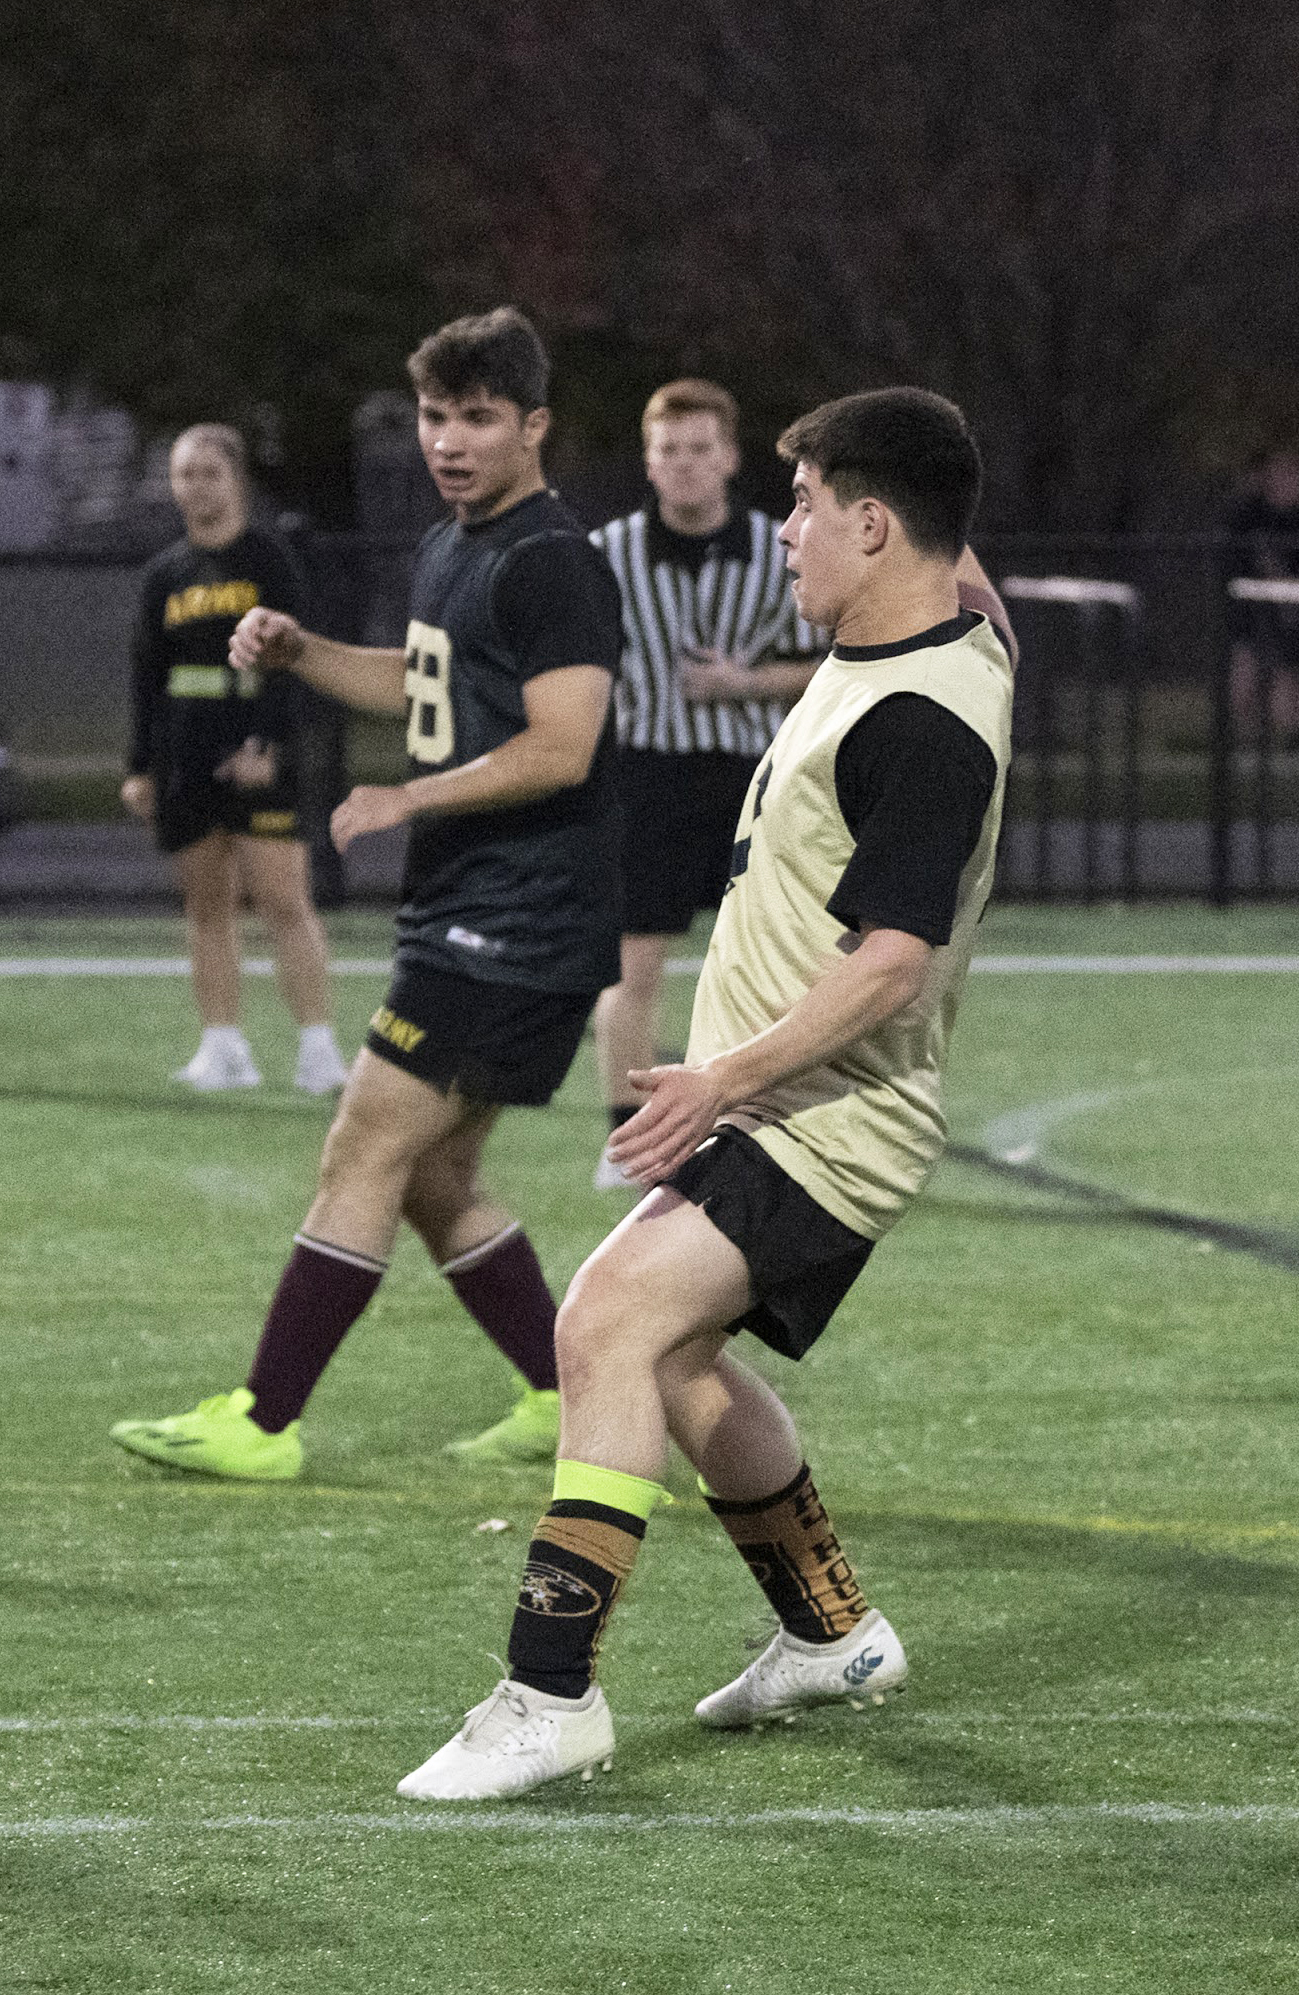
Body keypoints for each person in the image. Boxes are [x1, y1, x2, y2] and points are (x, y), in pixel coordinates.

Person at [401, 388, 1011, 1800]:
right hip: (791, 1106)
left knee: (603, 1321)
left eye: (803, 505)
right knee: (669, 1360)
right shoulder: (945, 637)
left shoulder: (922, 718)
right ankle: (833, 1629)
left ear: (874, 524)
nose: (783, 531)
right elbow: (968, 561)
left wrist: (720, 1077)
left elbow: (894, 963)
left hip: (827, 1118)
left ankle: (548, 1695)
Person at [107, 309, 622, 1481]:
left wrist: (409, 801)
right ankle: (558, 1392)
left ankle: (263, 1420)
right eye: (435, 416)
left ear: (533, 426)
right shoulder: (456, 546)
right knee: (436, 1176)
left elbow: (565, 744)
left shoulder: (550, 560)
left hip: (519, 914)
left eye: (477, 418)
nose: (449, 440)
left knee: (363, 1145)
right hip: (475, 908)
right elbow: (421, 682)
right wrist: (302, 654)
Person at [584, 379, 824, 1188]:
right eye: (668, 450)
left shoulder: (778, 543)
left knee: (762, 965)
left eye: (699, 449)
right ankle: (629, 1143)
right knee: (631, 967)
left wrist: (745, 684)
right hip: (643, 774)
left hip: (747, 778)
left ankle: (753, 1131)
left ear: (728, 456)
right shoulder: (606, 552)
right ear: (648, 462)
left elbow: (835, 658)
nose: (684, 465)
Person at [124, 423, 342, 1095]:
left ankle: (319, 1049)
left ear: (237, 479)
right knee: (206, 902)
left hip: (255, 743)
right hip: (186, 750)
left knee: (283, 898)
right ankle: (222, 1046)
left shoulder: (268, 561)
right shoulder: (164, 575)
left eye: (209, 472)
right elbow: (145, 673)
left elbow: (292, 658)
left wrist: (267, 744)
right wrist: (140, 765)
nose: (196, 485)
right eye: (185, 473)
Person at [1222, 445, 1299, 739]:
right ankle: (1253, 734)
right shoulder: (1252, 516)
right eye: (1284, 477)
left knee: (1295, 672)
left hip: (1297, 606)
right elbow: (1256, 560)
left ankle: (1296, 732)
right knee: (1248, 673)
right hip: (1256, 605)